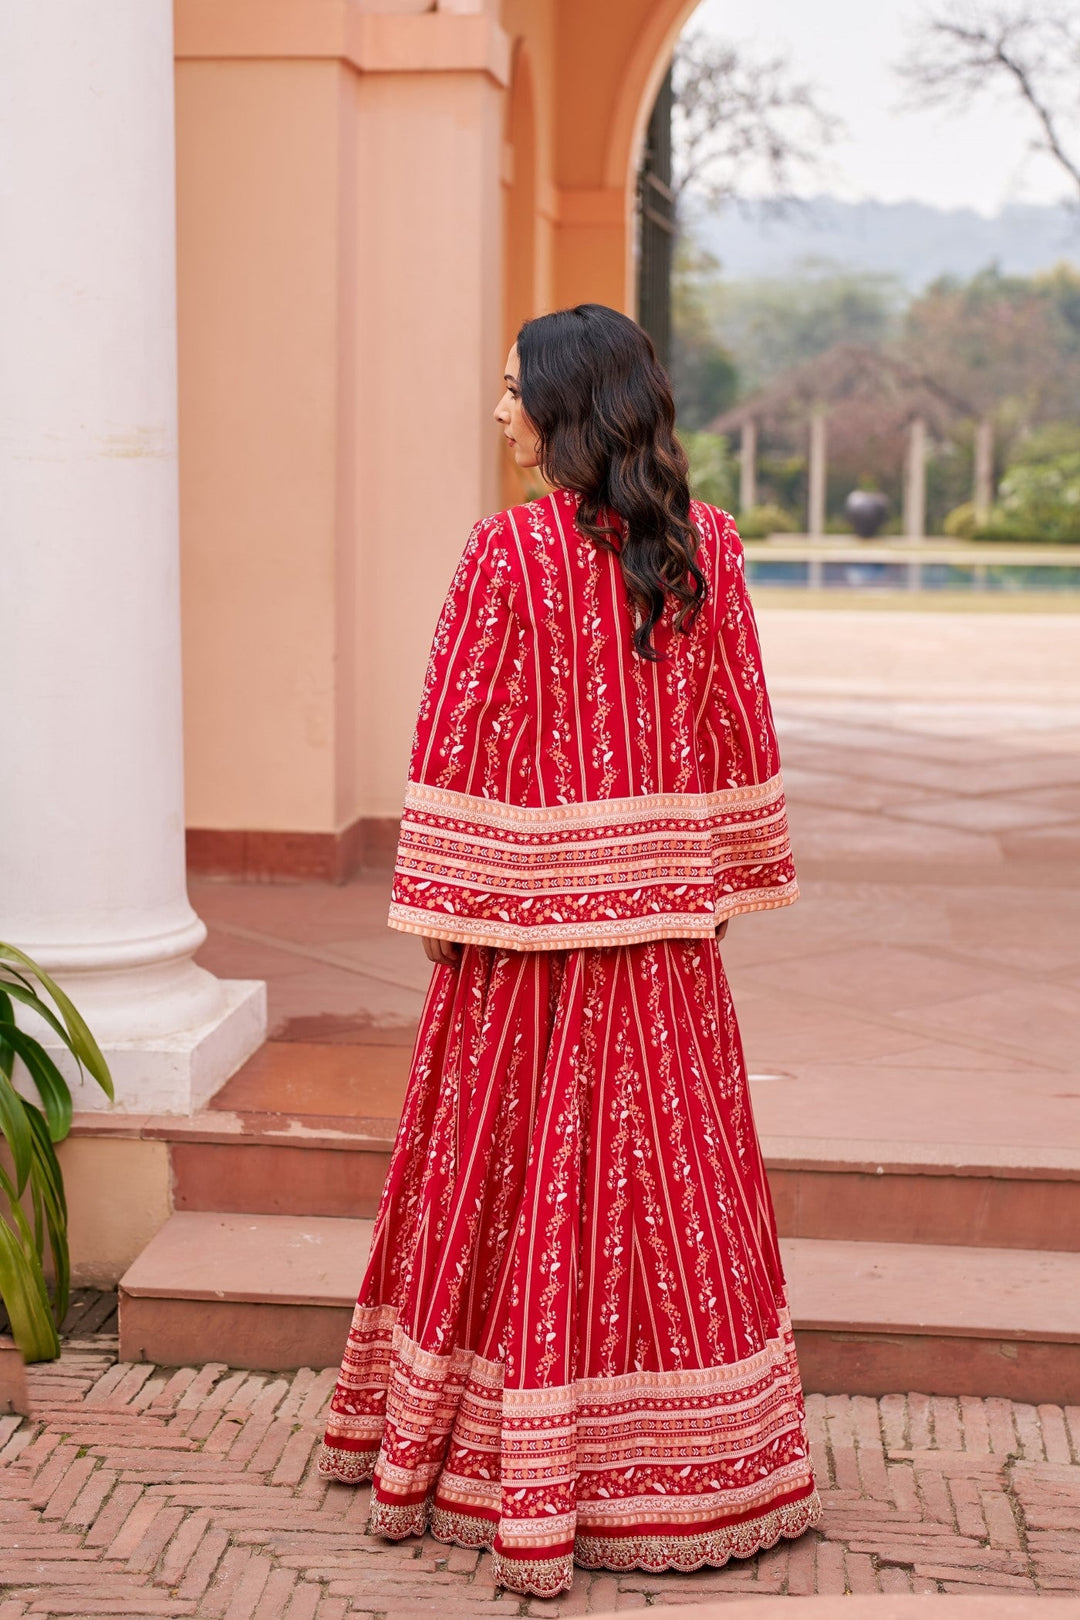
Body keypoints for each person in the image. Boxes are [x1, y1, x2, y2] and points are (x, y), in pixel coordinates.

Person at [318, 303, 821, 1597]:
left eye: (511, 390)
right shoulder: (706, 550)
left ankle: (509, 1462)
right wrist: (706, 887)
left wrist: (445, 908)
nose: (498, 413)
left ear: (567, 405)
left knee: (517, 1183)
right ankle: (708, 1465)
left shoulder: (507, 557)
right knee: (670, 1191)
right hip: (660, 945)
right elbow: (735, 733)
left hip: (527, 950)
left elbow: (457, 734)